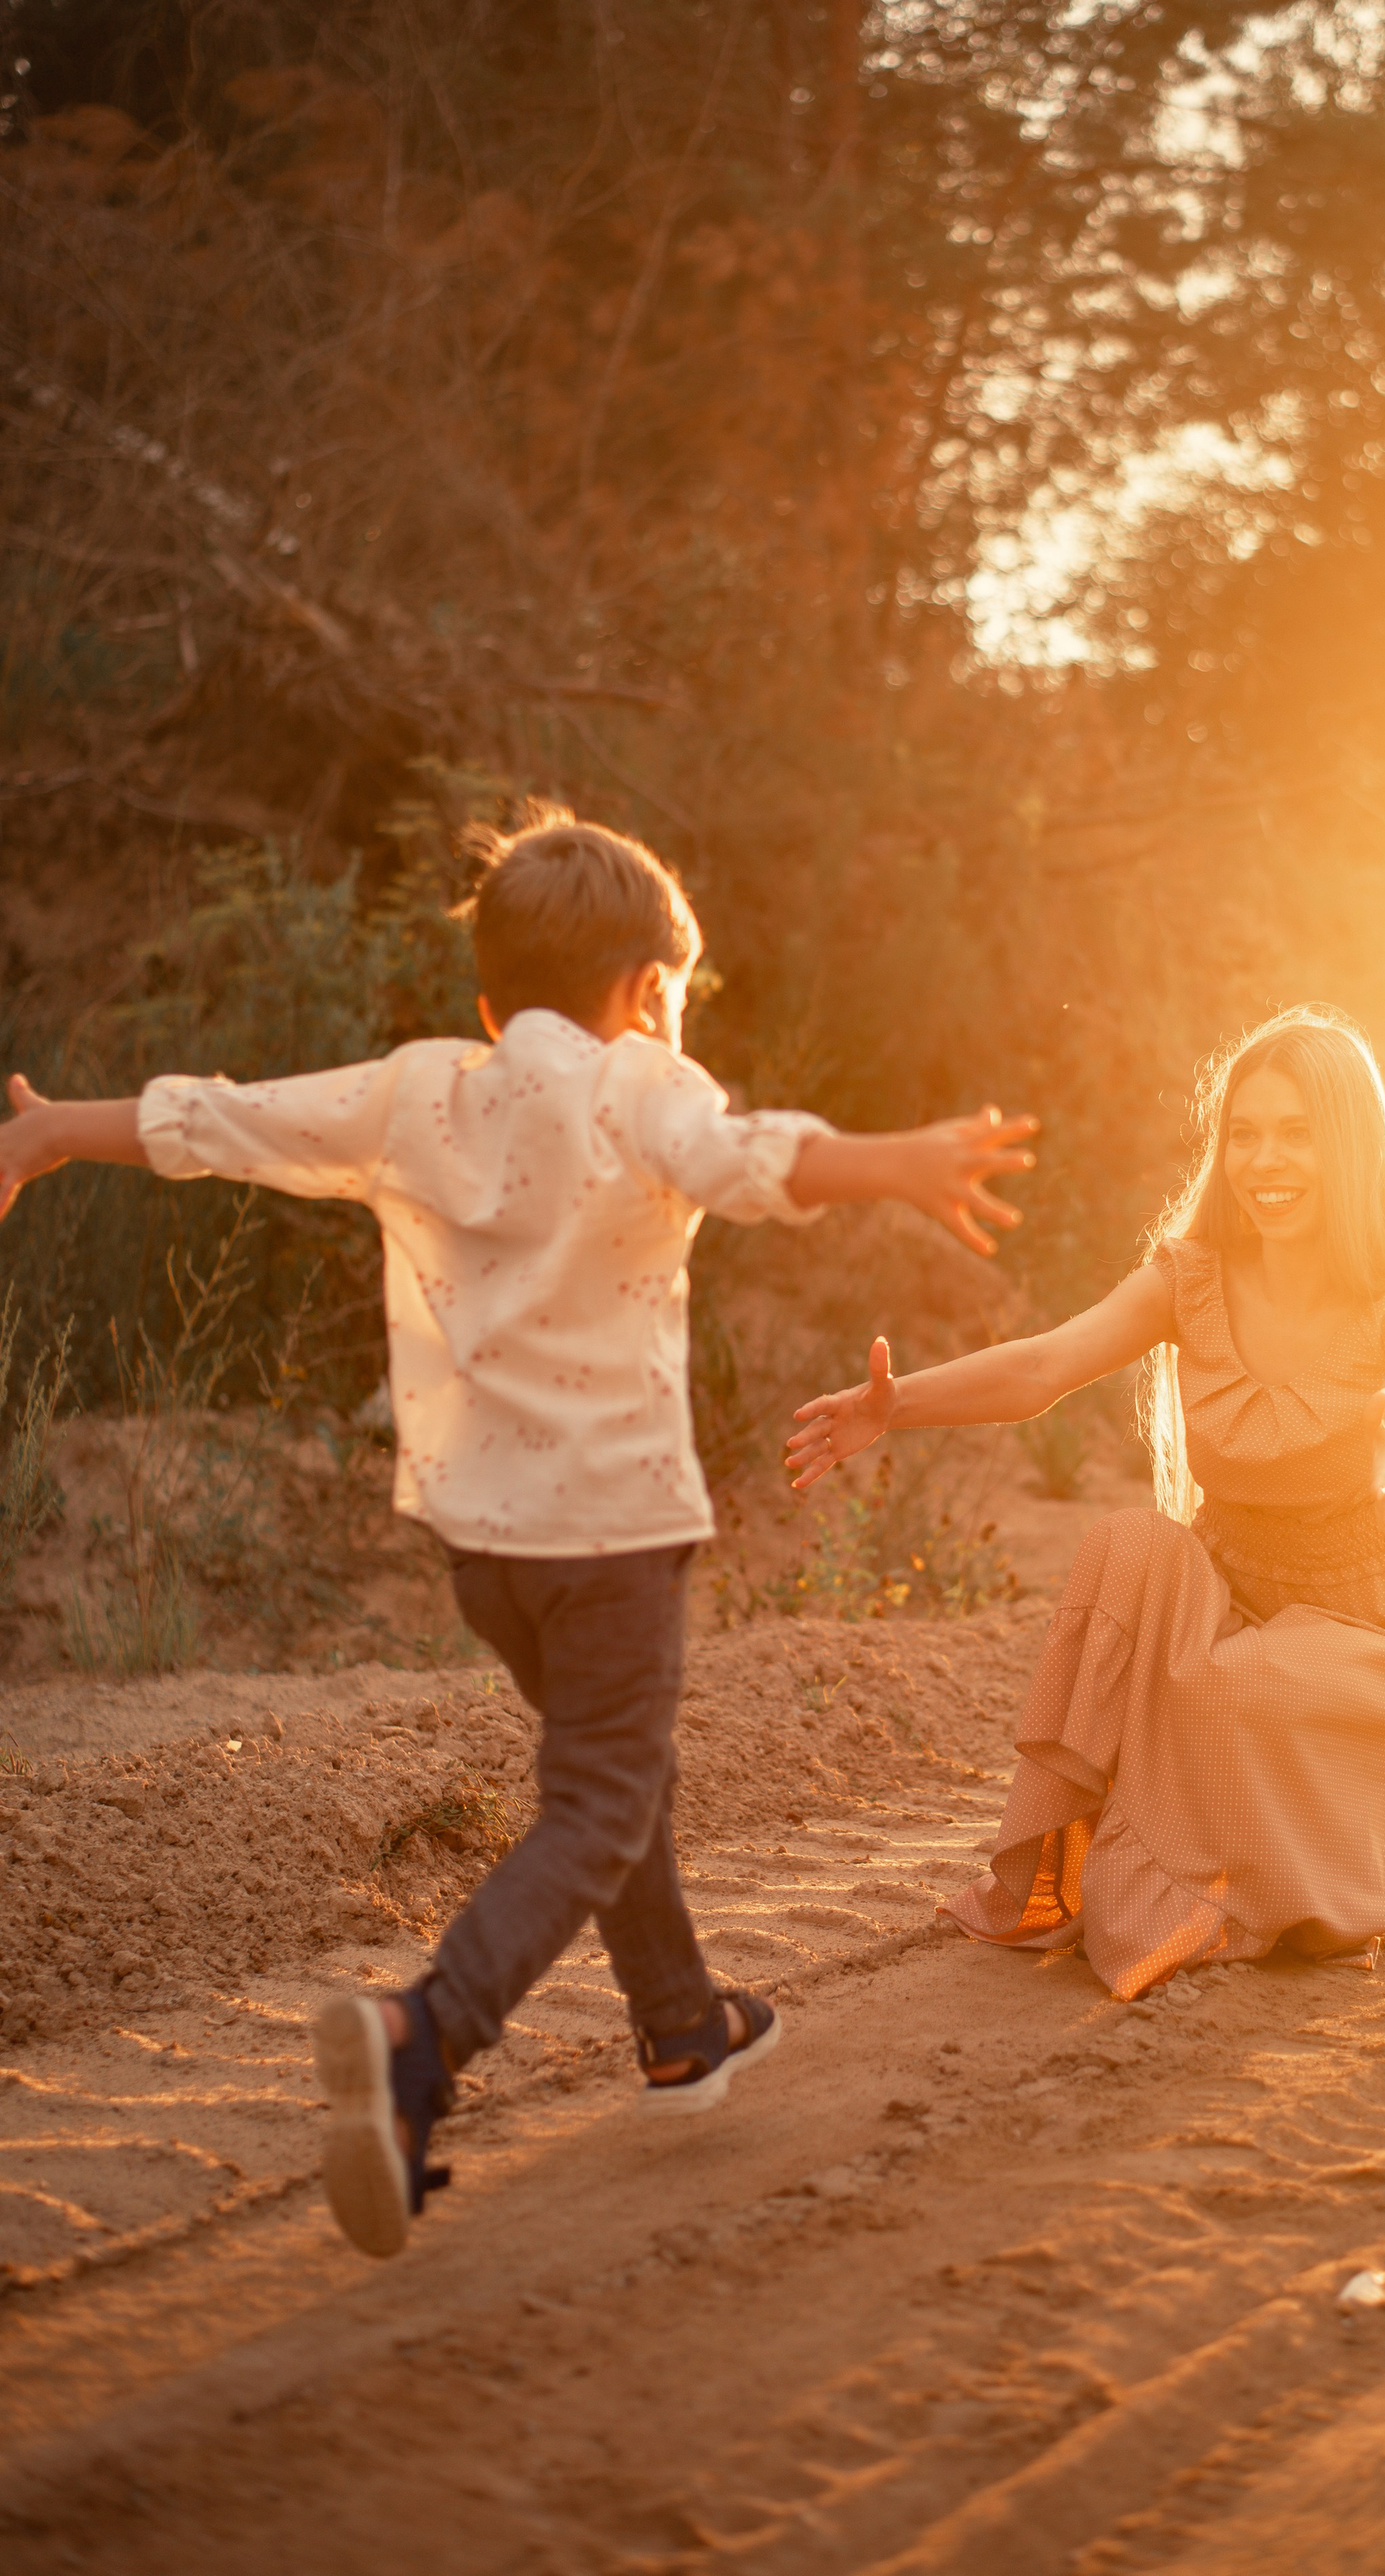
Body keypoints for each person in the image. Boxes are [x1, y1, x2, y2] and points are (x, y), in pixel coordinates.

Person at [0, 804, 1036, 2255]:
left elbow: (231, 1121)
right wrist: (897, 1160)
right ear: (649, 989)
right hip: (612, 1538)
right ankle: (422, 2038)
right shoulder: (640, 1083)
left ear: (492, 1003)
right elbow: (749, 1157)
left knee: (617, 1771)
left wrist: (55, 1130)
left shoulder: (422, 1087)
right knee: (601, 1800)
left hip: (485, 1548)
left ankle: (681, 2025)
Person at [786, 1004, 1385, 2000]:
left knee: (1242, 1687)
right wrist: (895, 1406)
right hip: (1228, 1603)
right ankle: (1127, 1857)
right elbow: (1045, 1366)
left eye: (1296, 1134)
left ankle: (1273, 1878)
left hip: (1356, 1633)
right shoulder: (1191, 1279)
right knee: (1128, 1546)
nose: (1265, 1161)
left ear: (1350, 1145)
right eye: (1244, 1134)